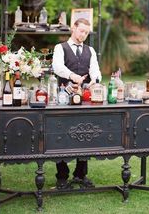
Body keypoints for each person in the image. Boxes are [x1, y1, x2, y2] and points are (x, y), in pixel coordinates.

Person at [52, 18, 102, 189]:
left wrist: (94, 80)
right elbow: (57, 67)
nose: (83, 35)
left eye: (87, 33)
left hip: (84, 97)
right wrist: (73, 77)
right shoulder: (60, 48)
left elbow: (95, 70)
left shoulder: (91, 50)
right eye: (81, 31)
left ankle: (80, 175)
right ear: (73, 28)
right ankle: (62, 176)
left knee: (85, 134)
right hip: (63, 96)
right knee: (61, 135)